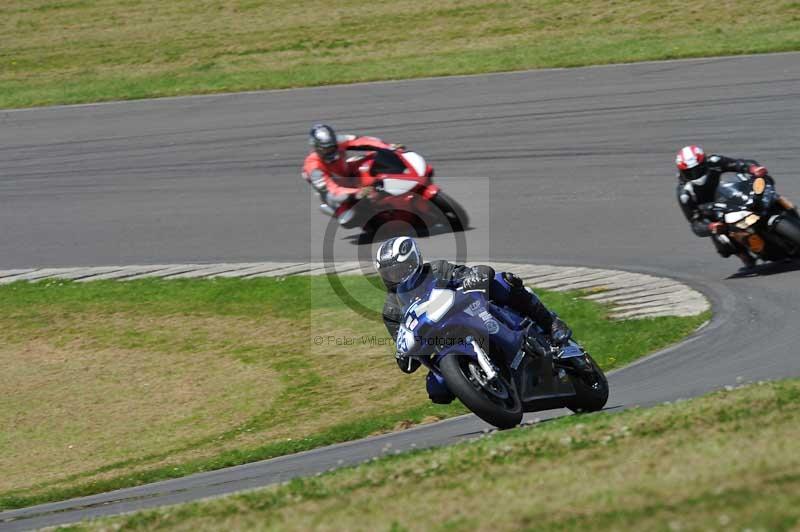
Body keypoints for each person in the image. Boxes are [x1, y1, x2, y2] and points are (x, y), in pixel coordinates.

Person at [375, 236, 572, 403]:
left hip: (467, 314)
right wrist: (402, 355)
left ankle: (549, 322)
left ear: (413, 261)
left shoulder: (437, 269)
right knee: (437, 390)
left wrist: (474, 275)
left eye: (398, 270)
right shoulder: (391, 309)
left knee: (503, 281)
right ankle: (482, 388)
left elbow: (469, 273)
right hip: (442, 343)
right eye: (388, 273)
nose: (394, 277)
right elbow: (403, 343)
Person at [675, 145, 770, 270]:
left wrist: (753, 169)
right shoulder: (684, 193)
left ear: (704, 163)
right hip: (712, 212)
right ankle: (743, 254)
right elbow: (695, 222)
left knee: (763, 189)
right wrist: (710, 227)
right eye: (689, 172)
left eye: (698, 170)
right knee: (724, 243)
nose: (694, 175)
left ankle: (788, 209)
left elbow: (738, 164)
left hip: (728, 194)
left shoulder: (714, 162)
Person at [301, 123, 404, 223]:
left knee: (375, 159)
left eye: (332, 147)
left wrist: (389, 147)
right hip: (334, 191)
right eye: (325, 150)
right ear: (316, 148)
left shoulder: (339, 141)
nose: (330, 151)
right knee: (348, 219)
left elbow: (364, 141)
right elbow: (333, 191)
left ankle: (399, 183)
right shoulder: (313, 167)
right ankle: (342, 211)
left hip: (348, 172)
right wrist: (357, 192)